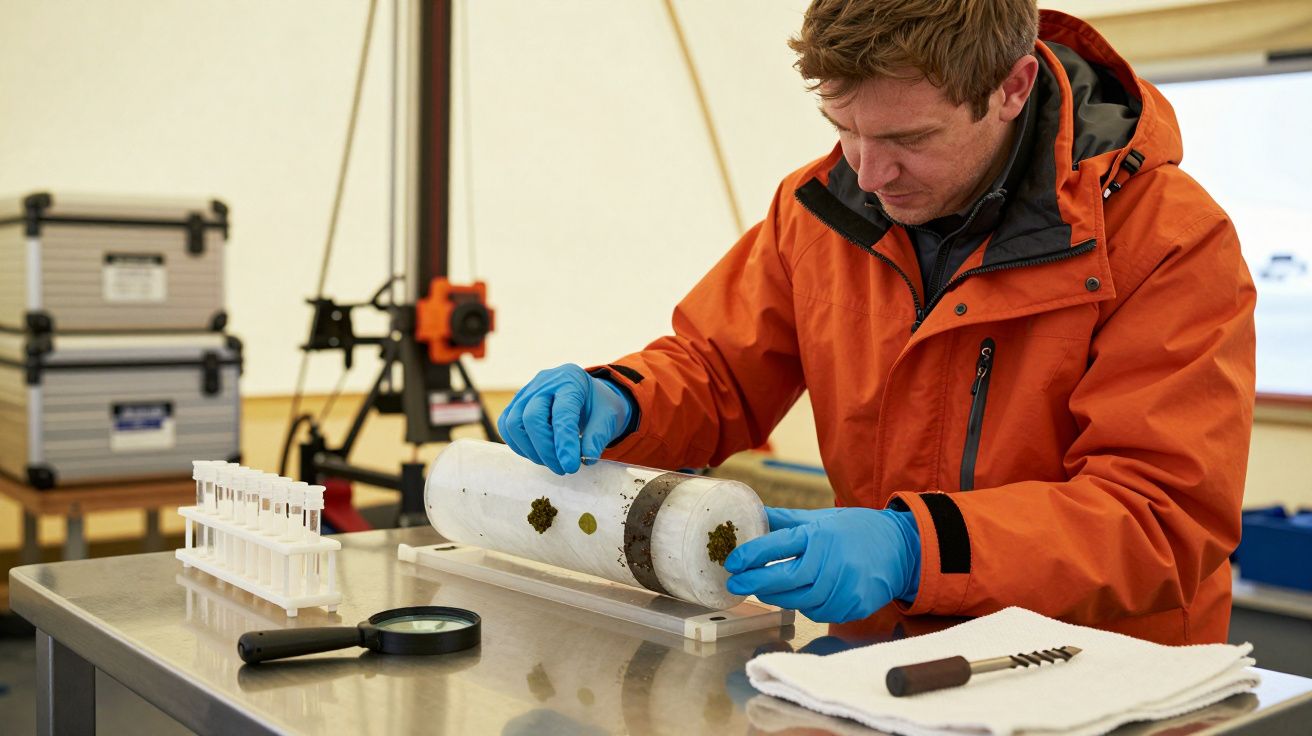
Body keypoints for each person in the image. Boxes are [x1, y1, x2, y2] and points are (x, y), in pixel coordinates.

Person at [498, 0, 1256, 645]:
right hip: (873, 678)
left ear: (1012, 87)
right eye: (843, 126)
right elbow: (716, 371)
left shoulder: (1169, 240)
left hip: (1092, 690)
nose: (867, 172)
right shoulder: (817, 210)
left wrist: (912, 549)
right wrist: (622, 398)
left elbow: (1158, 520)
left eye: (909, 139)